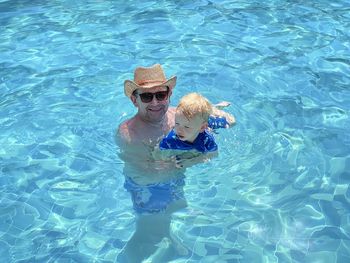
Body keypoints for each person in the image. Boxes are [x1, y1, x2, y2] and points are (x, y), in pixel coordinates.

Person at [116, 64, 188, 262]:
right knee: (148, 227)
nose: (155, 102)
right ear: (134, 100)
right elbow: (150, 174)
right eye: (147, 97)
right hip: (146, 188)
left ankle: (168, 235)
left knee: (171, 210)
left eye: (160, 95)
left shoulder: (178, 117)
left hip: (174, 176)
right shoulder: (130, 134)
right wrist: (190, 159)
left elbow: (205, 118)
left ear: (169, 94)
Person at [159, 92, 235, 153]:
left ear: (202, 128)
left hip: (209, 123)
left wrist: (192, 159)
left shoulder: (206, 139)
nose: (179, 130)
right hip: (198, 122)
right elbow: (160, 151)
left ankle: (215, 108)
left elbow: (213, 154)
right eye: (177, 123)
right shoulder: (170, 139)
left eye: (187, 127)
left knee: (231, 122)